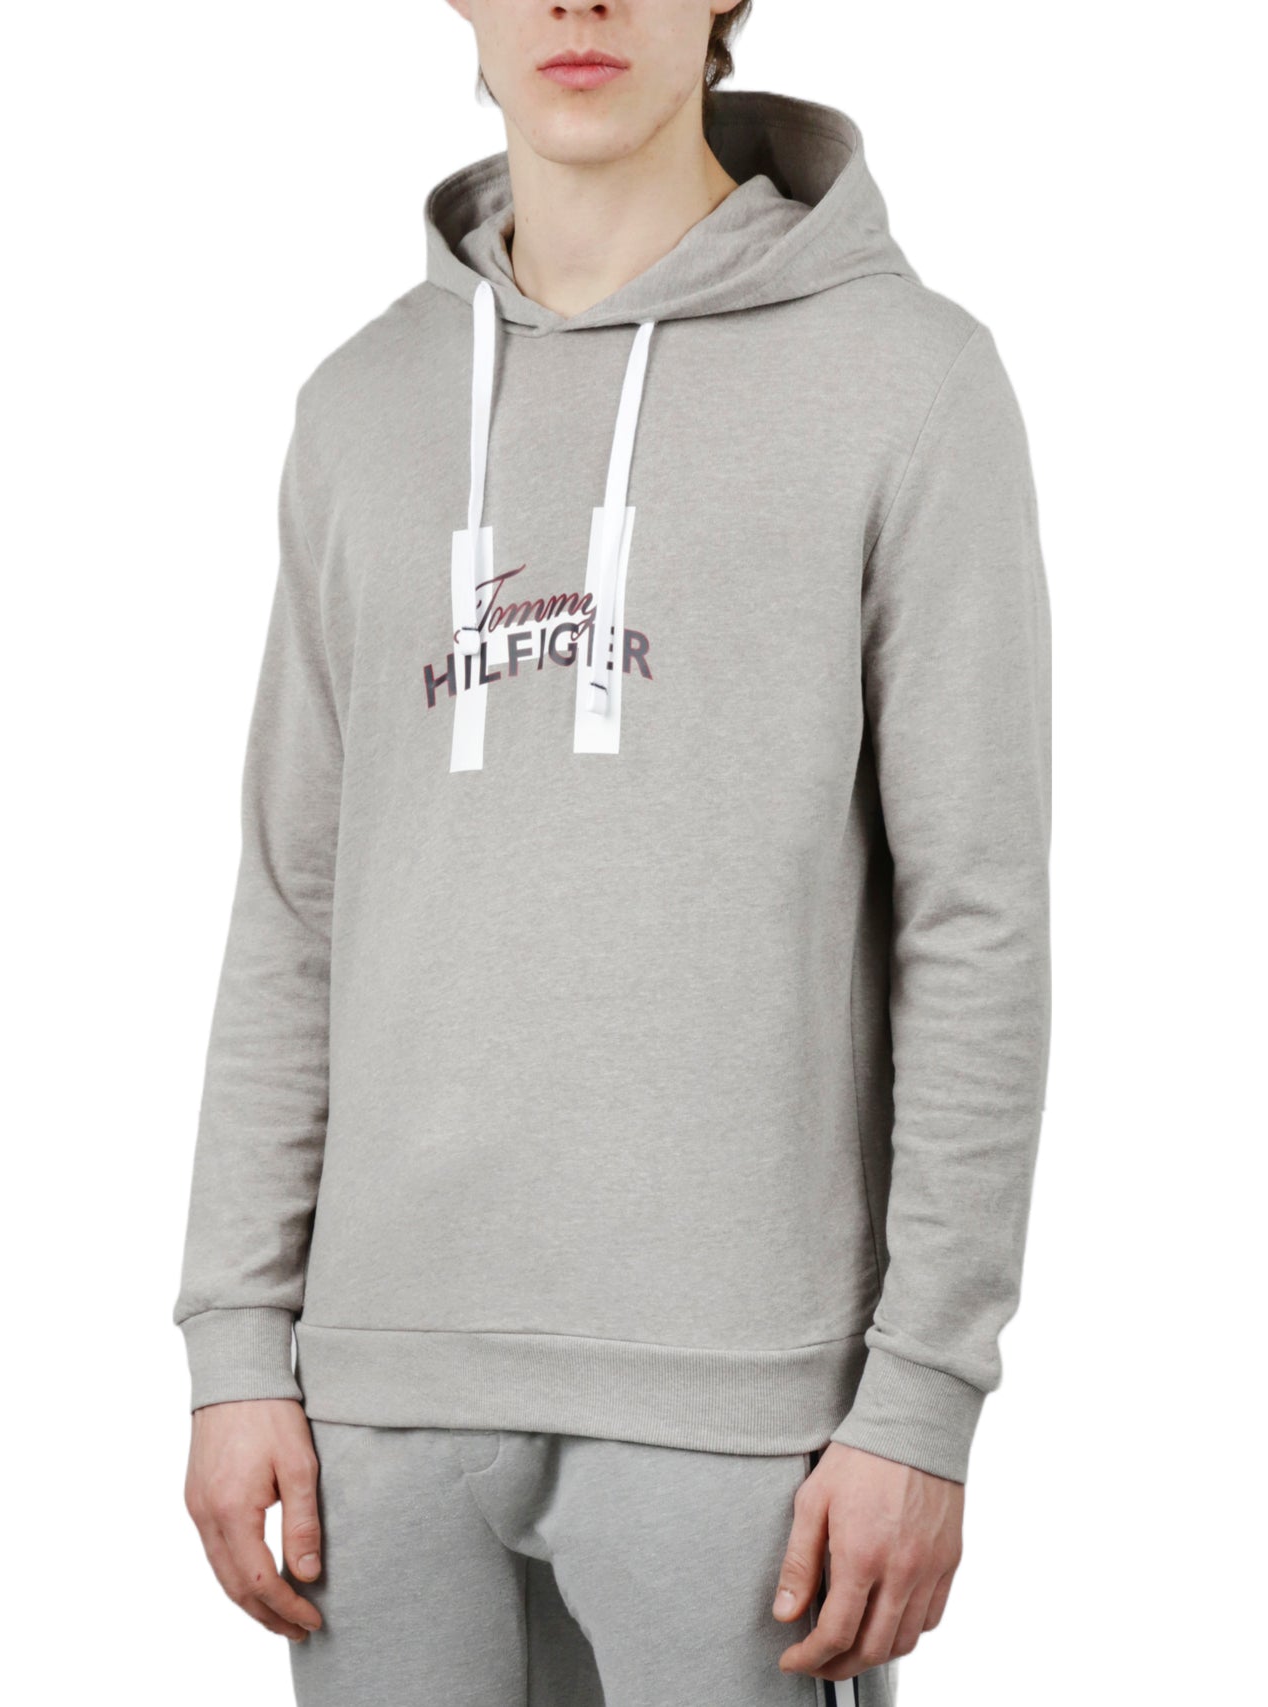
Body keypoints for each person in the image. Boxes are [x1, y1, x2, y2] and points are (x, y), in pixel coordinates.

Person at [173, 2, 1052, 1702]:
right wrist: (234, 1339)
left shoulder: (910, 378)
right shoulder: (359, 406)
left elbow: (975, 921)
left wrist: (924, 1397)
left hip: (745, 1403)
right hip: (377, 1395)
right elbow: (294, 900)